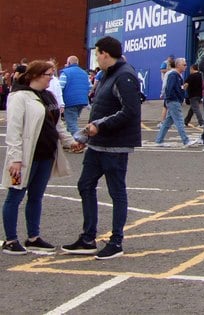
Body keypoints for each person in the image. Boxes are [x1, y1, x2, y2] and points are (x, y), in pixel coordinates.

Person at [62, 36, 142, 260]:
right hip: (97, 145)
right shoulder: (107, 74)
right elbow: (100, 109)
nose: (96, 57)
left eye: (97, 53)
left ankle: (116, 242)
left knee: (116, 192)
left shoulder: (124, 75)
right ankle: (88, 238)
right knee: (85, 184)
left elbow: (130, 112)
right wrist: (85, 137)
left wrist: (99, 125)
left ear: (106, 54)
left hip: (115, 146)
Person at [3, 61, 82, 256]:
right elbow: (14, 129)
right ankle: (10, 239)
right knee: (15, 195)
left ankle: (33, 237)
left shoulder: (49, 96)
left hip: (46, 155)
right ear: (35, 75)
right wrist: (15, 158)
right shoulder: (19, 97)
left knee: (36, 197)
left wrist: (70, 142)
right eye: (48, 74)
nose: (51, 78)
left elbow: (57, 124)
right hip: (25, 158)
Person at [153, 59, 198, 148]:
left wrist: (182, 89)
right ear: (178, 65)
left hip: (173, 100)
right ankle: (186, 140)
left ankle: (159, 140)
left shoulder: (177, 75)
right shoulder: (174, 75)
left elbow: (176, 88)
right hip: (173, 101)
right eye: (184, 65)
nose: (185, 66)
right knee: (180, 121)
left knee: (168, 122)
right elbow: (169, 88)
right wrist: (174, 98)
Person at [60, 55, 91, 135]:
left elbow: (60, 87)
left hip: (69, 101)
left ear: (69, 63)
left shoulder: (65, 72)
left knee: (71, 123)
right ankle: (69, 142)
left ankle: (79, 139)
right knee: (72, 120)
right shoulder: (85, 73)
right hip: (82, 101)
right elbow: (90, 87)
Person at [182, 63, 204, 128]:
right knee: (192, 109)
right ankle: (186, 121)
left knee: (196, 109)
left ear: (192, 69)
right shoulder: (201, 75)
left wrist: (182, 89)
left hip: (193, 95)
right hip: (199, 95)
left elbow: (186, 85)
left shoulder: (191, 76)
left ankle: (201, 123)